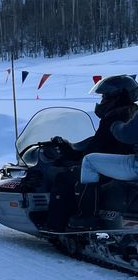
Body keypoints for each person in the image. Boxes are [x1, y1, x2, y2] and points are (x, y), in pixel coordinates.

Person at [44, 75, 138, 230]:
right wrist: (73, 148)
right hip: (122, 161)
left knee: (65, 176)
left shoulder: (117, 115)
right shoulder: (130, 111)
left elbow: (104, 144)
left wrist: (70, 155)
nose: (102, 101)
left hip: (124, 166)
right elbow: (102, 143)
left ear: (118, 96)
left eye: (104, 96)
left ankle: (64, 224)